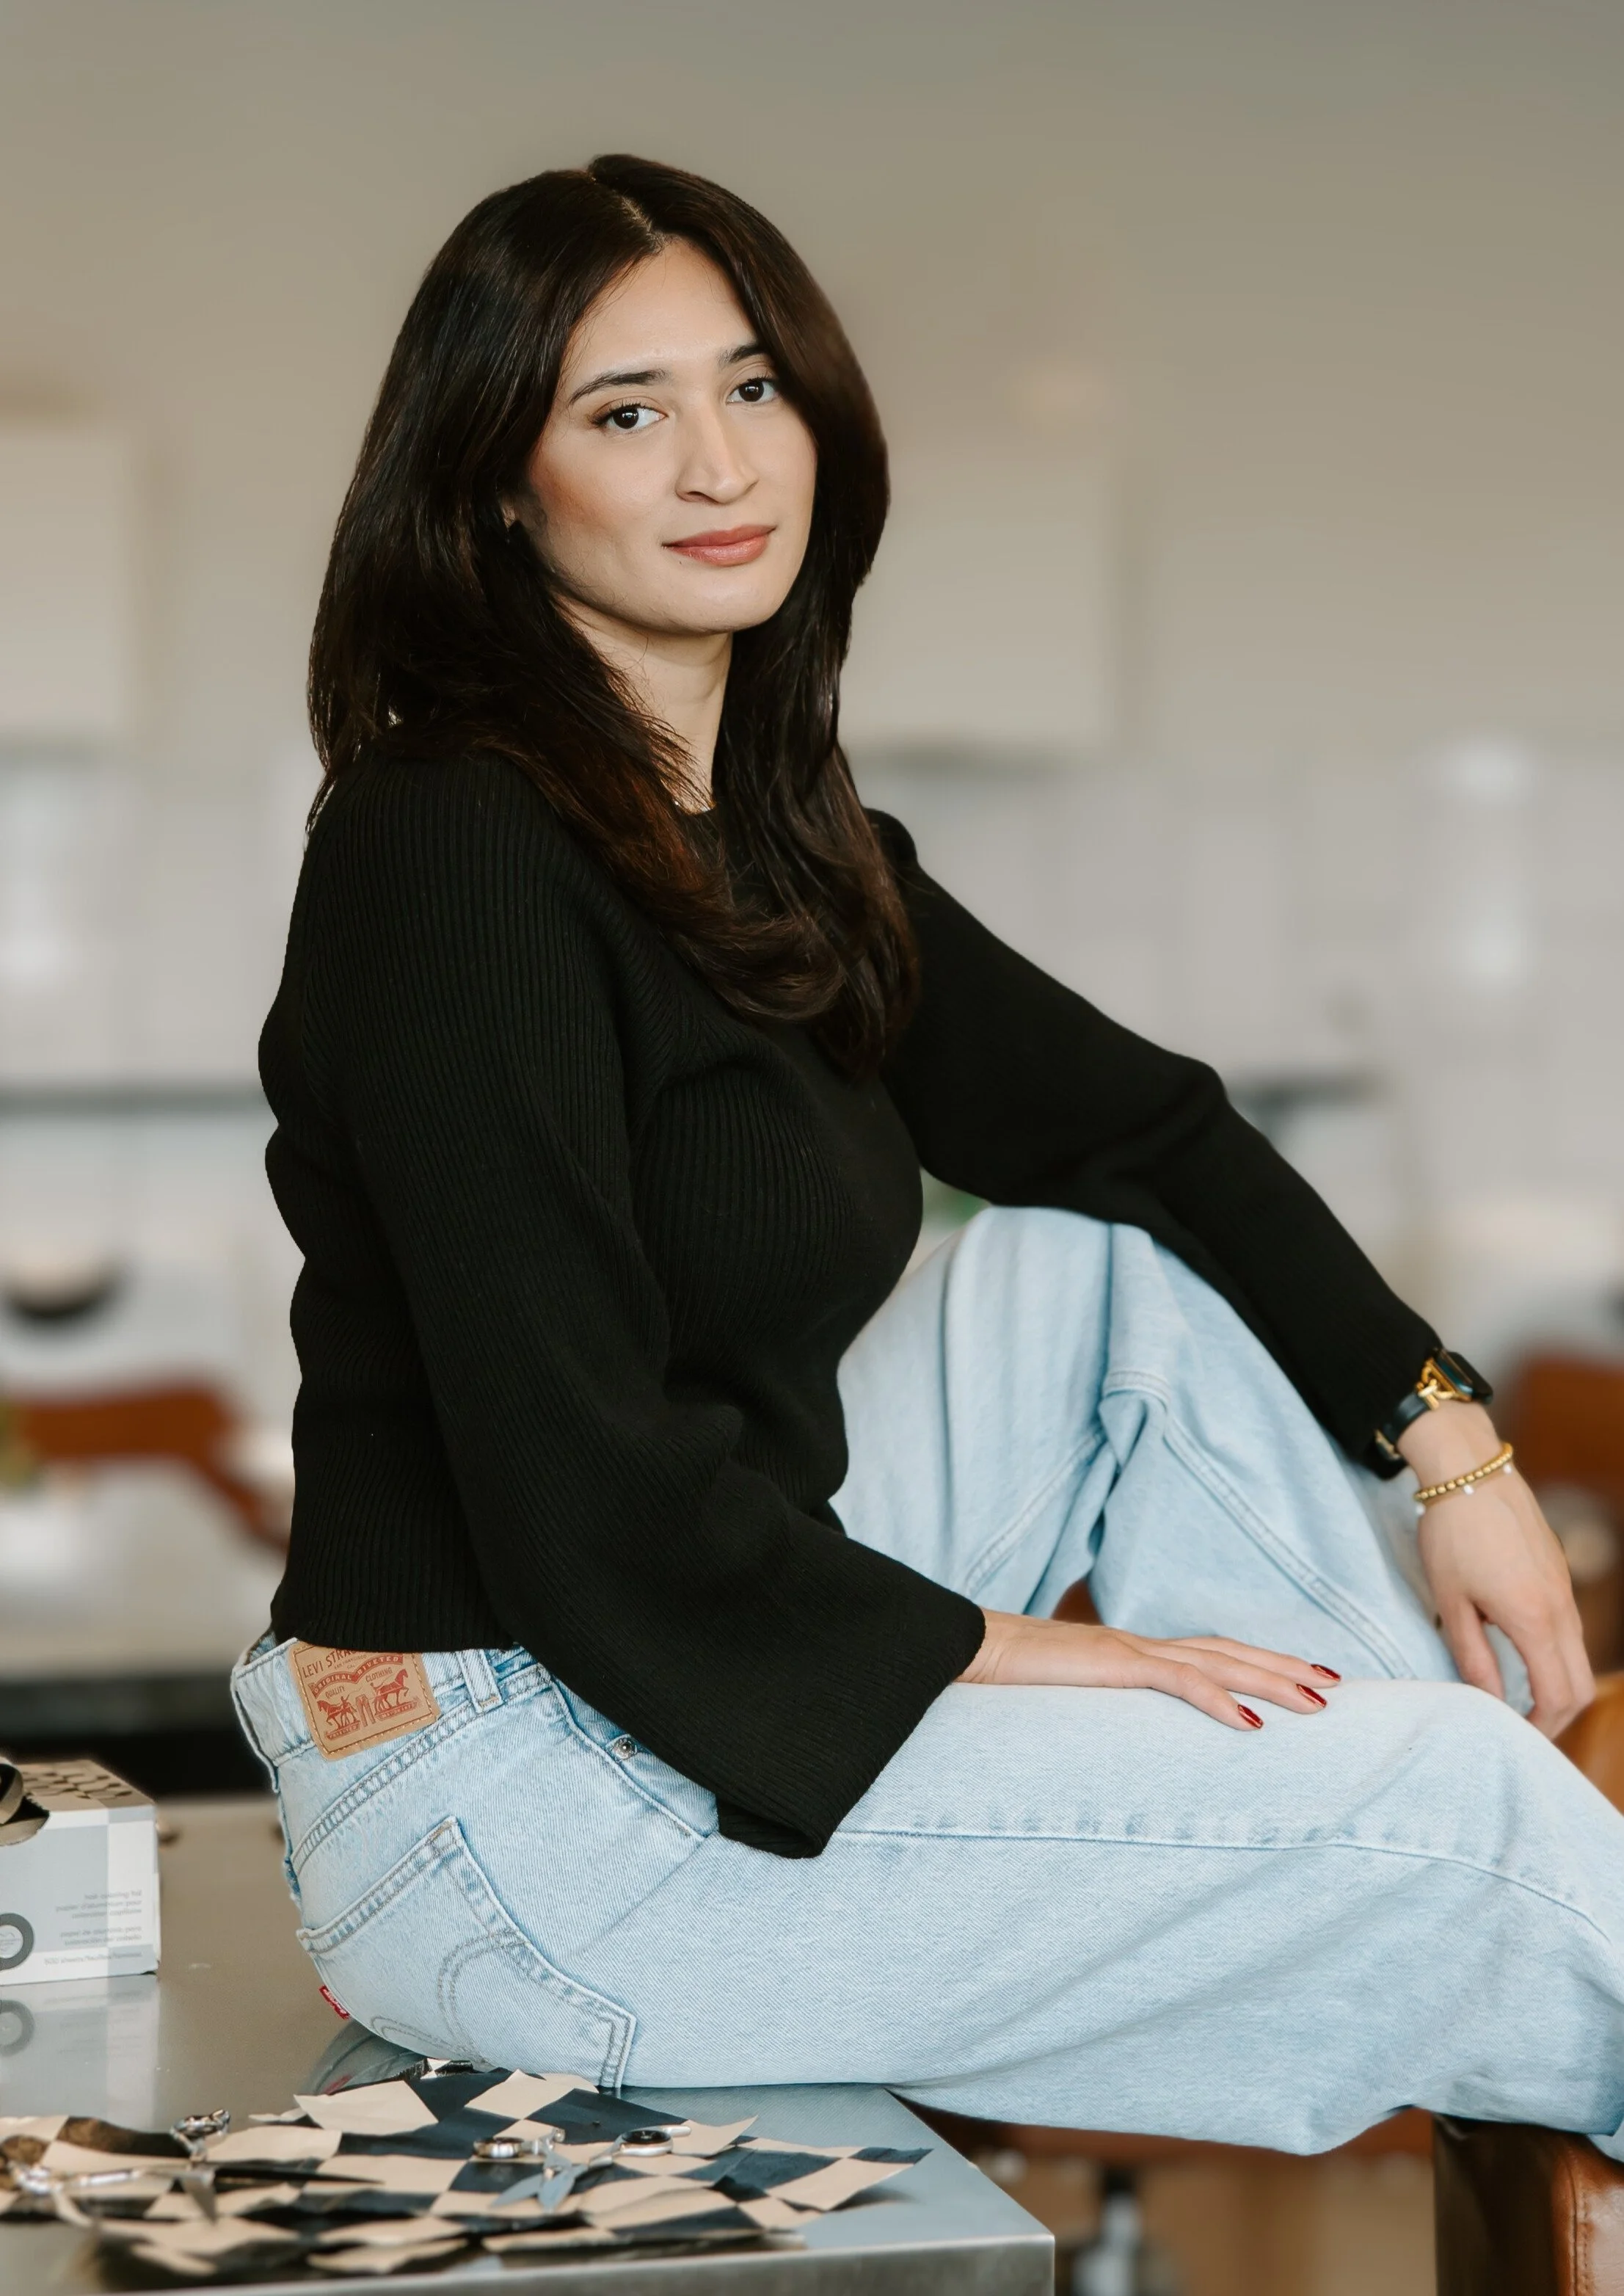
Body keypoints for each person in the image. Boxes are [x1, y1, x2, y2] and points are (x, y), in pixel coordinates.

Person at [233, 155, 1624, 2157]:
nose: (721, 464)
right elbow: (582, 1482)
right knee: (1465, 1818)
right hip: (514, 1804)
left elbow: (1147, 1131)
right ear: (497, 489)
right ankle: (1442, 1831)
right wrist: (1064, 1661)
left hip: (681, 1678)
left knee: (1100, 1274)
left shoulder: (777, 844)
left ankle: (1389, 1804)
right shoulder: (446, 842)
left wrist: (1449, 1441)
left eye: (752, 386)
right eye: (624, 413)